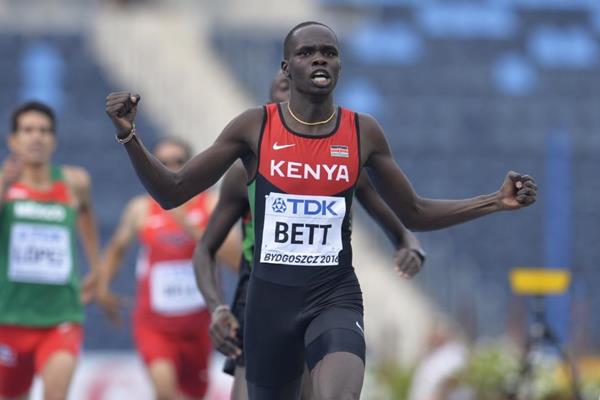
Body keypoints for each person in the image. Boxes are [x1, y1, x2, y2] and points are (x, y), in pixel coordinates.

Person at [104, 21, 537, 400]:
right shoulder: (253, 128)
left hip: (334, 294)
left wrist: (495, 201)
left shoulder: (362, 131)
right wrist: (130, 137)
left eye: (329, 52)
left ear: (340, 66)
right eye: (306, 52)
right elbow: (172, 190)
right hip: (268, 299)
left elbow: (415, 212)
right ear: (285, 68)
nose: (319, 60)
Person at [194, 72, 424, 400]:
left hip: (321, 297)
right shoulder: (242, 172)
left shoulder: (341, 162)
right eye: (284, 91)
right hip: (261, 299)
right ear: (270, 105)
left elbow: (403, 223)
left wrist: (410, 245)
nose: (296, 98)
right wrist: (217, 307)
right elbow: (205, 248)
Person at [95, 137, 240, 400]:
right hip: (155, 327)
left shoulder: (210, 205)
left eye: (178, 162)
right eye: (163, 163)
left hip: (199, 327)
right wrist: (103, 286)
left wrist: (190, 226)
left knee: (194, 394)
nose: (171, 168)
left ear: (192, 165)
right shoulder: (141, 208)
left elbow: (236, 261)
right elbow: (117, 248)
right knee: (164, 391)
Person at [0, 101, 100, 400]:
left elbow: (86, 218)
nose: (36, 137)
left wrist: (98, 269)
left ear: (53, 140)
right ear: (13, 140)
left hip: (61, 316)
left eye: (44, 131)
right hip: (10, 318)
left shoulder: (74, 182)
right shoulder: (5, 186)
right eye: (28, 130)